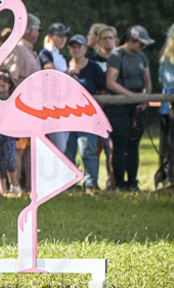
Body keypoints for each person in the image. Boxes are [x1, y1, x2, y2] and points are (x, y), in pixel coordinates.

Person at [105, 25, 154, 191]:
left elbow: (147, 80)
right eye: (141, 44)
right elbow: (111, 81)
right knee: (120, 145)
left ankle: (133, 180)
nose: (143, 47)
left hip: (137, 104)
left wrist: (145, 99)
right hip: (119, 105)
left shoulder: (142, 57)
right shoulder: (117, 55)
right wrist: (131, 96)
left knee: (134, 145)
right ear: (132, 41)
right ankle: (120, 182)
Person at [64, 34, 107, 193]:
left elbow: (102, 90)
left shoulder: (94, 67)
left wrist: (98, 112)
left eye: (79, 46)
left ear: (85, 48)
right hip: (68, 116)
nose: (76, 49)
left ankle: (90, 184)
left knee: (87, 150)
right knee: (68, 151)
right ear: (69, 49)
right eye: (73, 47)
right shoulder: (65, 68)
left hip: (88, 116)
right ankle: (70, 184)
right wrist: (70, 73)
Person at [3, 13, 41, 189]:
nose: (39, 33)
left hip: (33, 107)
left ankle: (29, 186)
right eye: (36, 29)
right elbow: (10, 77)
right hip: (20, 106)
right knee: (18, 148)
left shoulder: (29, 51)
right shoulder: (17, 50)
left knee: (29, 148)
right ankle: (15, 184)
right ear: (27, 31)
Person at [88, 25, 117, 187]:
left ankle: (112, 181)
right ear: (98, 41)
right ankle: (93, 181)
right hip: (97, 109)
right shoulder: (92, 59)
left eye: (111, 38)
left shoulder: (119, 58)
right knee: (97, 146)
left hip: (115, 108)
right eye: (104, 38)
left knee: (111, 147)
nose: (108, 41)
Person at [39, 22, 72, 157]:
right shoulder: (45, 53)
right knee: (59, 147)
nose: (63, 39)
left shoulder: (60, 56)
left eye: (65, 36)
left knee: (62, 147)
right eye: (59, 36)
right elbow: (51, 73)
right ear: (51, 36)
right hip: (52, 105)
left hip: (64, 104)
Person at [0, 71, 22, 198]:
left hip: (9, 135)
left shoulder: (13, 98)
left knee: (9, 159)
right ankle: (2, 190)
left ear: (9, 85)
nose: (1, 89)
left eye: (3, 86)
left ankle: (14, 184)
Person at [156, 24, 174, 189]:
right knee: (169, 144)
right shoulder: (167, 56)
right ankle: (169, 179)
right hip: (169, 105)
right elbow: (166, 81)